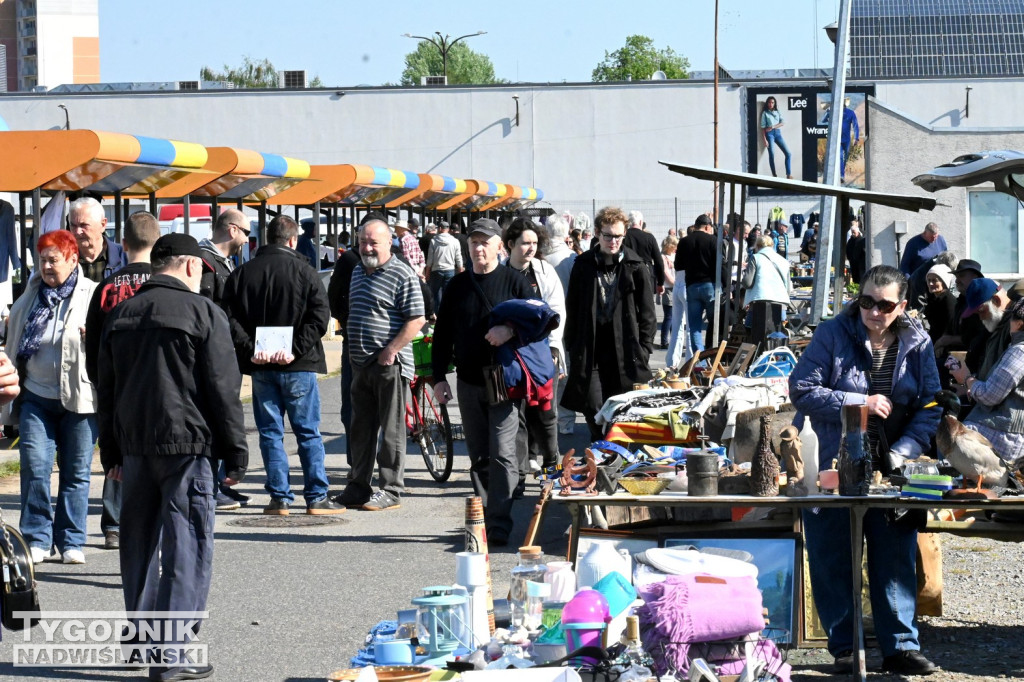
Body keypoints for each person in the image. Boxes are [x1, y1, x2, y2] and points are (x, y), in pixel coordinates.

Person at [98, 233, 248, 682]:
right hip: (187, 448)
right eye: (202, 267)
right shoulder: (204, 312)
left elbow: (106, 390)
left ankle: (144, 643)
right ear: (186, 265)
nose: (204, 276)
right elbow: (223, 389)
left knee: (138, 548)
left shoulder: (120, 312)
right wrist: (236, 451)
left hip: (136, 449)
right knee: (187, 547)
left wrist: (111, 452)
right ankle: (173, 655)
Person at [790, 265, 940, 676]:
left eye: (885, 304)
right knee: (832, 555)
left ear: (902, 306)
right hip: (833, 463)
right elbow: (801, 390)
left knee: (894, 555)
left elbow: (930, 405)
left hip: (892, 467)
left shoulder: (918, 342)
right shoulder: (832, 333)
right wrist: (859, 401)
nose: (874, 311)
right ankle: (844, 647)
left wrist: (905, 452)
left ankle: (900, 648)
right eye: (867, 301)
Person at [222, 215, 343, 516]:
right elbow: (320, 315)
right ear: (292, 240)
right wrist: (295, 349)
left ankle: (279, 498)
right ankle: (316, 497)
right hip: (298, 365)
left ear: (267, 239)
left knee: (270, 433)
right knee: (308, 433)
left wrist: (252, 350)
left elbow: (228, 317)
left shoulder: (242, 273)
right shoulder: (306, 271)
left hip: (262, 365)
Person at [431, 218, 532, 546]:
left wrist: (511, 331)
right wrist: (437, 378)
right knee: (479, 454)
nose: (478, 248)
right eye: (473, 242)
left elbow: (541, 324)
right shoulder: (458, 286)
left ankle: (499, 522)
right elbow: (443, 333)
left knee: (502, 452)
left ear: (499, 246)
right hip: (468, 379)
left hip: (503, 379)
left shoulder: (515, 282)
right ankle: (488, 513)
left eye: (484, 242)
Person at [4, 230, 97, 566]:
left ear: (72, 260)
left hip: (81, 399)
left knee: (76, 471)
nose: (45, 266)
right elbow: (13, 343)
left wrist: (94, 336)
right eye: (42, 259)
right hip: (36, 397)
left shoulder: (92, 295)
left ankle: (72, 540)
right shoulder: (29, 297)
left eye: (52, 259)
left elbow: (110, 344)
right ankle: (36, 538)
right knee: (35, 466)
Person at [335, 219, 425, 511]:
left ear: (389, 243)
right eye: (363, 241)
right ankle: (358, 485)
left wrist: (392, 349)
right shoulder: (359, 270)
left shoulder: (401, 273)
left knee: (391, 430)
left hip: (389, 363)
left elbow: (417, 319)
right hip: (360, 362)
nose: (367, 247)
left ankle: (391, 489)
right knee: (359, 428)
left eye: (374, 242)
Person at [84, 211, 160, 550]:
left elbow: (93, 343)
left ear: (123, 244)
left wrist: (100, 382)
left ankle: (114, 523)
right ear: (158, 243)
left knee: (117, 451)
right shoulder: (164, 283)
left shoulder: (106, 288)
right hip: (158, 384)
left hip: (117, 383)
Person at [561, 206, 655, 440]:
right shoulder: (583, 265)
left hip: (624, 348)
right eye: (607, 235)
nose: (613, 241)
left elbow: (647, 313)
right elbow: (571, 308)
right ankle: (601, 444)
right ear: (597, 233)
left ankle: (609, 455)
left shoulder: (635, 266)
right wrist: (571, 345)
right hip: (590, 347)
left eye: (618, 236)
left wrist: (644, 349)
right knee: (592, 405)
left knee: (620, 406)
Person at [197, 208, 253, 510]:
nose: (246, 239)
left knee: (223, 418)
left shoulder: (222, 263)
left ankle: (220, 484)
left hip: (224, 354)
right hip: (212, 356)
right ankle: (211, 486)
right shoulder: (206, 263)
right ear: (232, 230)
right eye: (245, 232)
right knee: (215, 418)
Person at [503, 218, 566, 473]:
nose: (530, 248)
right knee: (516, 414)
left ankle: (552, 463)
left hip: (541, 352)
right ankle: (520, 470)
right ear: (510, 245)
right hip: (512, 354)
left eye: (534, 243)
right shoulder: (502, 273)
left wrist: (554, 348)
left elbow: (557, 309)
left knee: (546, 412)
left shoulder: (544, 270)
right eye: (524, 243)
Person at [951, 297, 1024, 470]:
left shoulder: (1019, 352)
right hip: (1013, 434)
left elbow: (989, 396)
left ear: (1019, 324)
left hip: (1006, 435)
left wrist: (966, 378)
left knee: (949, 436)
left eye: (1011, 318)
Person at [543, 213, 578, 435]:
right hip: (568, 320)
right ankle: (565, 419)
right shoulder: (572, 258)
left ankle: (548, 415)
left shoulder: (540, 258)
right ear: (566, 234)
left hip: (543, 321)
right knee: (565, 368)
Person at [675, 213, 718, 353]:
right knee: (714, 322)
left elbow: (678, 265)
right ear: (707, 227)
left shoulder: (684, 242)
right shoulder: (713, 240)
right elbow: (719, 264)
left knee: (694, 326)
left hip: (692, 286)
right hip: (710, 285)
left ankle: (699, 361)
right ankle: (712, 353)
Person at [742, 235, 792, 339]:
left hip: (759, 302)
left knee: (750, 330)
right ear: (772, 246)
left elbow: (747, 283)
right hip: (780, 303)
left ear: (758, 246)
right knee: (777, 334)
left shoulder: (756, 257)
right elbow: (788, 289)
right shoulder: (783, 261)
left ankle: (757, 354)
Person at [68, 196, 128, 282]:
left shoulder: (124, 258)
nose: (77, 231)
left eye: (84, 225)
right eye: (73, 225)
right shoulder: (63, 259)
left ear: (103, 224)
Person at [623, 210, 665, 296]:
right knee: (647, 306)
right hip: (647, 275)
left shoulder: (623, 238)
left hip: (628, 276)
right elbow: (659, 261)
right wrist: (660, 282)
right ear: (641, 222)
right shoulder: (649, 237)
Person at [424, 219, 464, 307]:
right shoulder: (455, 241)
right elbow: (458, 257)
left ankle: (436, 314)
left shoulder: (434, 241)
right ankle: (448, 313)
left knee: (435, 294)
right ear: (448, 229)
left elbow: (430, 259)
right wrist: (460, 270)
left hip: (436, 270)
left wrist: (427, 273)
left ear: (440, 229)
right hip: (450, 270)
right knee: (449, 293)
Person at [922, 264, 956, 345]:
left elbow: (950, 327)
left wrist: (941, 345)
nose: (930, 283)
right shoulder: (933, 299)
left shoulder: (948, 300)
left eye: (934, 280)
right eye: (928, 280)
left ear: (944, 282)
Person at [760, 96, 793, 179]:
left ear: (774, 104)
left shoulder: (777, 112)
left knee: (788, 153)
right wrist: (764, 140)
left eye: (772, 102)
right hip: (769, 134)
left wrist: (773, 126)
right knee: (771, 154)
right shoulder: (765, 113)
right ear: (767, 103)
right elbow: (763, 127)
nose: (771, 104)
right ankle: (774, 175)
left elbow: (783, 122)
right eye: (769, 102)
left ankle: (788, 175)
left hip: (778, 133)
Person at [660, 236, 678, 349]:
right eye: (675, 245)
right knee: (669, 316)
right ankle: (664, 341)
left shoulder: (674, 256)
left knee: (675, 316)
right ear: (670, 246)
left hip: (676, 286)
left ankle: (674, 339)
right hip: (668, 288)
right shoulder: (663, 257)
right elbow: (666, 273)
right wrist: (676, 283)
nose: (676, 247)